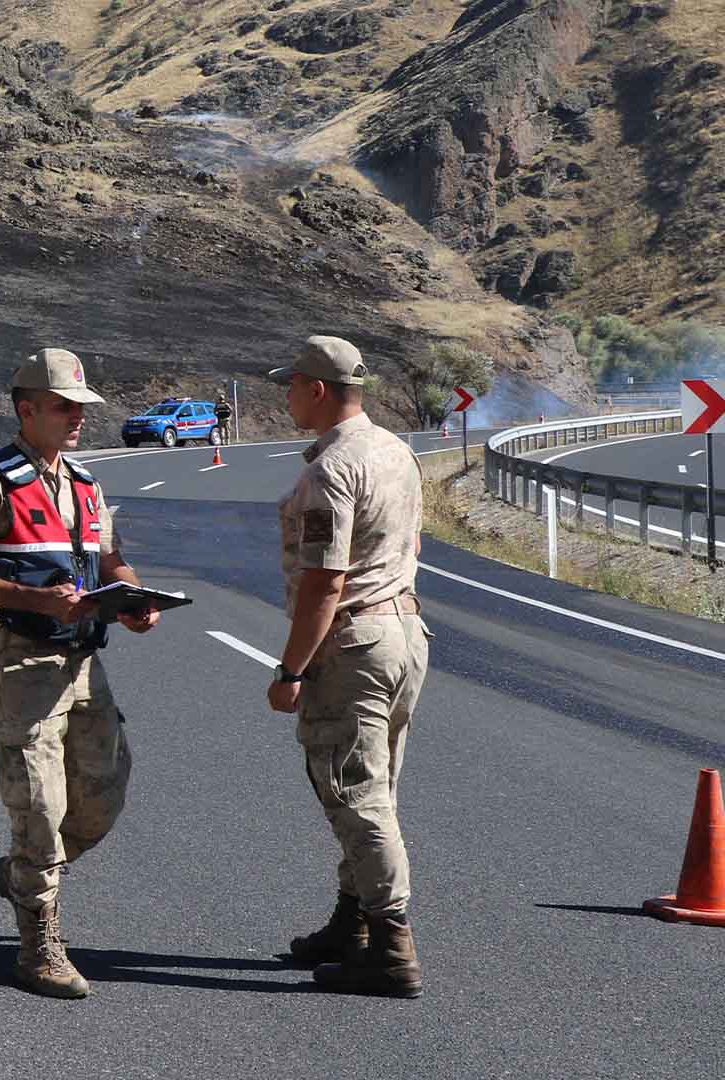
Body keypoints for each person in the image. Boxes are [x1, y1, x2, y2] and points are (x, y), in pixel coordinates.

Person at [0, 348, 163, 998]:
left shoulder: (88, 485)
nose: (76, 418)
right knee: (40, 804)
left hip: (84, 660)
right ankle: (39, 942)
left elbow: (111, 559)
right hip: (20, 661)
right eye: (64, 407)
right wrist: (36, 599)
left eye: (80, 408)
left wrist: (134, 598)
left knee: (103, 793)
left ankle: (22, 873)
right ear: (27, 408)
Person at [265, 335, 432, 998]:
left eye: (292, 385)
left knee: (357, 796)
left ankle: (392, 946)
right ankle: (350, 924)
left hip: (355, 643)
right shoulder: (395, 450)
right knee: (373, 784)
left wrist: (291, 670)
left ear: (317, 390)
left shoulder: (331, 469)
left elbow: (324, 581)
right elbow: (411, 541)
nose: (286, 397)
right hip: (404, 631)